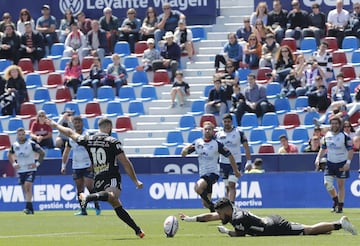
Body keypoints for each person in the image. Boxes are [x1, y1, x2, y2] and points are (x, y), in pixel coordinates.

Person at [46, 117, 145, 238]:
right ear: (108, 127)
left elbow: (70, 133)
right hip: (110, 177)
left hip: (97, 179)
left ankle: (137, 230)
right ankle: (88, 197)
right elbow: (125, 162)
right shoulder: (113, 141)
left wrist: (55, 125)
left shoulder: (89, 139)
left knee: (116, 204)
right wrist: (135, 180)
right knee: (113, 196)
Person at [180, 197, 357, 236]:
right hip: (270, 221)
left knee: (307, 230)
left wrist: (226, 232)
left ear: (226, 210)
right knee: (307, 229)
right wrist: (189, 219)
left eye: (220, 213)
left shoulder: (238, 218)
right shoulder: (232, 212)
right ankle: (328, 230)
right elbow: (210, 217)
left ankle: (338, 224)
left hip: (275, 227)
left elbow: (240, 236)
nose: (218, 216)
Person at [181, 121, 240, 212]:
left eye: (210, 129)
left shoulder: (217, 144)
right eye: (206, 129)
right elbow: (184, 154)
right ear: (202, 131)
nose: (207, 131)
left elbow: (230, 155)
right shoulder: (197, 143)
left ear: (213, 131)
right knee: (205, 203)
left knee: (198, 187)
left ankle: (213, 207)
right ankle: (217, 211)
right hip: (203, 174)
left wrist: (235, 170)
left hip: (213, 174)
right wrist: (184, 150)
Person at [61, 116, 101, 216]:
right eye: (75, 123)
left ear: (82, 123)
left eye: (79, 122)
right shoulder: (71, 136)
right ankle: (83, 210)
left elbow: (94, 150)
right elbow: (66, 152)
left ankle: (96, 205)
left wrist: (93, 163)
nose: (77, 124)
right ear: (73, 124)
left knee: (90, 186)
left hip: (87, 164)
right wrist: (63, 165)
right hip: (76, 165)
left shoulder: (87, 135)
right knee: (80, 189)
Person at [315, 117, 354, 213]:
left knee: (340, 185)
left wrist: (348, 163)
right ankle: (336, 200)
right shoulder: (327, 135)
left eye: (336, 123)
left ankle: (340, 206)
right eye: (333, 123)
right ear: (330, 124)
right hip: (330, 163)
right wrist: (318, 158)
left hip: (341, 163)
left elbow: (350, 150)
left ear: (339, 125)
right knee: (327, 184)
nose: (334, 125)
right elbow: (323, 148)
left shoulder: (345, 136)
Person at [8, 128, 45, 214]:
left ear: (25, 135)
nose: (21, 136)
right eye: (19, 135)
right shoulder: (14, 145)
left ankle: (27, 208)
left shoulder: (31, 144)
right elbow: (9, 155)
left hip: (30, 169)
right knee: (24, 189)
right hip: (21, 170)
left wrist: (37, 164)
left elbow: (42, 153)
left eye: (22, 134)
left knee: (28, 186)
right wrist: (14, 164)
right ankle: (30, 208)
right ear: (17, 135)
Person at [216, 114, 251, 202]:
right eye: (225, 122)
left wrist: (249, 161)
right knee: (227, 186)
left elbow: (246, 147)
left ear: (232, 122)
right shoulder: (218, 134)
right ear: (222, 122)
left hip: (236, 162)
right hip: (223, 163)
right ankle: (228, 208)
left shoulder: (239, 132)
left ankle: (232, 206)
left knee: (232, 184)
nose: (227, 123)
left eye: (228, 121)